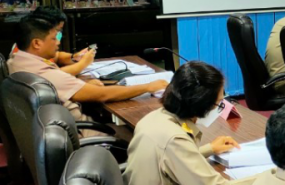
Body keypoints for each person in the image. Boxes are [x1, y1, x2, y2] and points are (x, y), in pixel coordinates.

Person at [123, 61, 251, 185]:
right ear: (202, 104)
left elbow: (169, 158)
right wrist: (270, 175)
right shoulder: (174, 139)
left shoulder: (155, 118)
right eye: (218, 104)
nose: (220, 108)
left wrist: (209, 149)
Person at [8, 16, 168, 125]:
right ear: (36, 43)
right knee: (135, 133)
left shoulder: (16, 61)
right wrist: (148, 86)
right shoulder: (44, 74)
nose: (57, 43)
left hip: (53, 129)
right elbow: (103, 94)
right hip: (81, 133)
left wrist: (84, 86)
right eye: (53, 38)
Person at [8, 6, 96, 76]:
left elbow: (56, 56)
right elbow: (54, 75)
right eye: (57, 30)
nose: (58, 37)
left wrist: (74, 57)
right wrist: (84, 63)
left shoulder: (40, 46)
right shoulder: (24, 50)